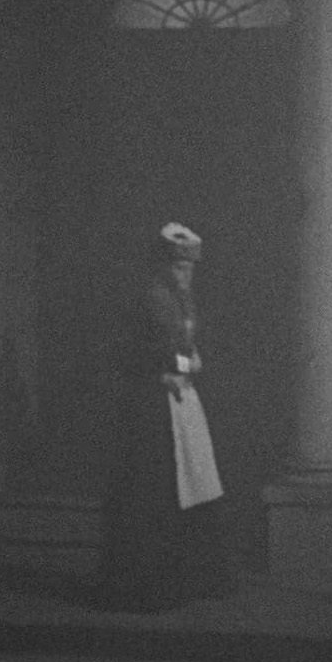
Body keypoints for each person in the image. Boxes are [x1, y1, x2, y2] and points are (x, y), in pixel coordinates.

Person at [95, 222, 234, 612]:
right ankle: (146, 586)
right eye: (177, 267)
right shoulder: (147, 299)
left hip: (182, 403)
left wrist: (191, 361)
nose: (184, 275)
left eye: (189, 268)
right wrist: (170, 369)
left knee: (195, 485)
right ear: (162, 266)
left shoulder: (184, 301)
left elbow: (185, 348)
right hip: (151, 407)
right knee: (153, 492)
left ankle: (191, 579)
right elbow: (131, 352)